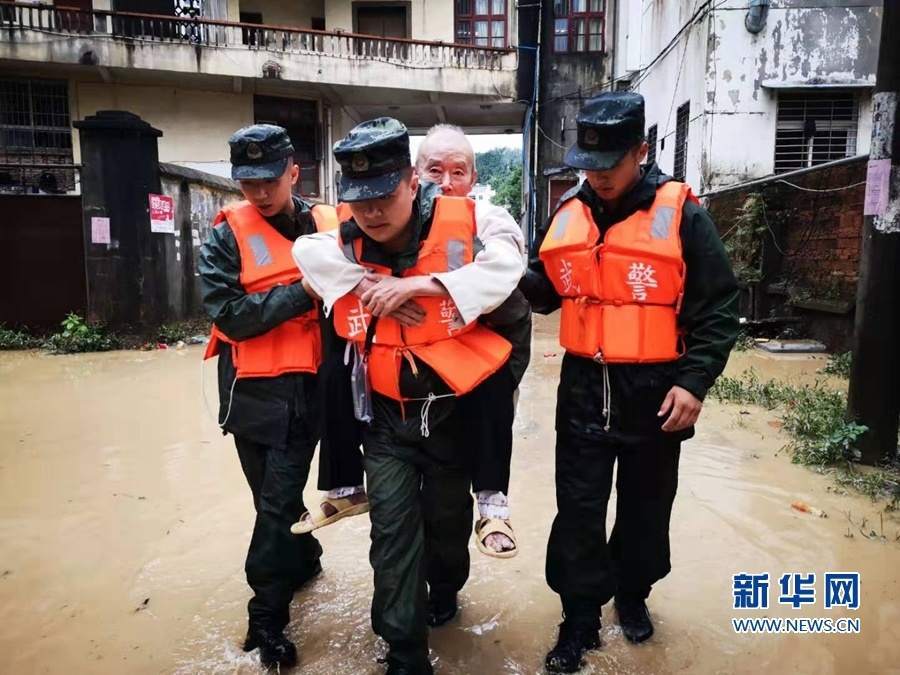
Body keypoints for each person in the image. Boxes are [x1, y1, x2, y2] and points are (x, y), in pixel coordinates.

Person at [520, 92, 739, 673]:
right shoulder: (568, 210)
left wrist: (694, 383)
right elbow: (544, 291)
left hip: (656, 393)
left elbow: (719, 307)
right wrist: (508, 275)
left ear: (641, 152)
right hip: (584, 387)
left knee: (646, 508)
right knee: (579, 510)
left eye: (610, 164)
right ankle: (578, 617)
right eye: (587, 164)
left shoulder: (682, 214)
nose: (596, 176)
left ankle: (634, 594)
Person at [299, 117, 523, 674]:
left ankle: (445, 594)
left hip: (451, 415)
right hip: (385, 421)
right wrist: (366, 285)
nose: (370, 212)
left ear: (409, 182)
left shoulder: (477, 219)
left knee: (446, 528)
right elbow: (306, 253)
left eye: (382, 196)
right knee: (393, 536)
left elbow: (510, 261)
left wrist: (429, 285)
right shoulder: (345, 237)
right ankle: (403, 651)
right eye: (359, 199)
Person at [198, 124, 338, 669]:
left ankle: (266, 616)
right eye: (247, 182)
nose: (258, 192)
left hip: (313, 389)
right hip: (253, 395)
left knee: (277, 503)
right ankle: (305, 560)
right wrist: (302, 292)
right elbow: (228, 313)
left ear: (293, 173)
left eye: (269, 180)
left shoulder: (331, 225)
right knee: (271, 502)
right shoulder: (225, 236)